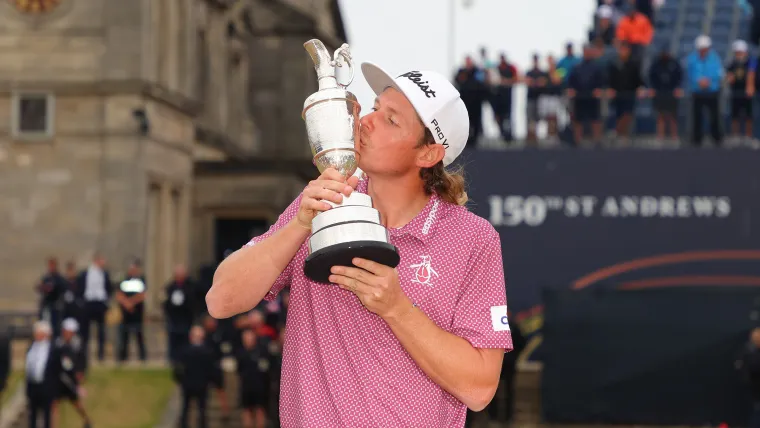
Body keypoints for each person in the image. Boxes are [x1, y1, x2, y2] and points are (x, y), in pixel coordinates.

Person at [207, 61, 513, 427]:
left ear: (428, 154)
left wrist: (397, 308)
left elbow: (480, 389)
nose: (366, 121)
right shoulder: (324, 200)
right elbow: (221, 300)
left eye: (391, 120)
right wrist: (299, 226)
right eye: (374, 109)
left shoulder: (472, 239)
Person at [52, 318, 92, 428]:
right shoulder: (57, 343)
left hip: (71, 379)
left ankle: (87, 420)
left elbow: (82, 361)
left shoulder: (78, 344)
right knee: (54, 403)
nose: (68, 334)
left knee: (76, 403)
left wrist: (81, 373)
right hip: (59, 379)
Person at [173, 326, 215, 428]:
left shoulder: (185, 351)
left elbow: (178, 369)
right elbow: (211, 370)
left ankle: (185, 424)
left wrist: (181, 381)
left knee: (188, 408)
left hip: (191, 384)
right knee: (200, 409)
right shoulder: (207, 352)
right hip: (199, 384)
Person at [25, 321, 61, 428]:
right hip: (33, 386)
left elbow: (57, 370)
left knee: (47, 415)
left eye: (39, 332)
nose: (36, 335)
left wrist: (55, 390)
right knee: (32, 415)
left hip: (47, 387)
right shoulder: (31, 347)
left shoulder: (53, 349)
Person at [116, 259, 147, 362]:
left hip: (137, 313)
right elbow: (119, 294)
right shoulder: (124, 280)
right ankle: (123, 357)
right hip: (126, 314)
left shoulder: (141, 280)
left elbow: (142, 295)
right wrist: (127, 303)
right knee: (124, 336)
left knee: (139, 335)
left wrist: (131, 302)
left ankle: (142, 357)